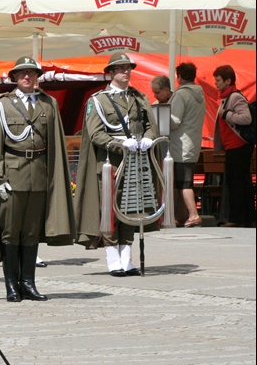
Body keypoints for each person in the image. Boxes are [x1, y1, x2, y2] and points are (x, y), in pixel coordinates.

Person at [0, 56, 75, 301]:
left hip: (38, 174)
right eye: (23, 73)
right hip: (11, 176)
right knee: (11, 232)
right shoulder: (1, 105)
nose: (28, 77)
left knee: (31, 233)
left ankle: (28, 283)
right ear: (14, 77)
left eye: (32, 73)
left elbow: (53, 144)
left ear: (38, 77)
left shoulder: (48, 105)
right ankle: (11, 285)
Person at [73, 53, 160, 277]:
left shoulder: (138, 98)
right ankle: (113, 259)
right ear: (110, 73)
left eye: (128, 68)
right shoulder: (98, 100)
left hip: (135, 161)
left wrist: (148, 138)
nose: (125, 72)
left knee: (132, 208)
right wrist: (118, 144)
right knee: (110, 210)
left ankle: (126, 259)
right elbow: (95, 133)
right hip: (110, 163)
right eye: (120, 69)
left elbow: (150, 124)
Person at [213, 64, 254, 228]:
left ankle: (237, 218)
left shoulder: (235, 97)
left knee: (236, 182)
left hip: (238, 145)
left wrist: (226, 114)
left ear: (228, 81)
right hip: (234, 145)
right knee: (240, 181)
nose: (216, 83)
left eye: (218, 80)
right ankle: (245, 217)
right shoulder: (227, 96)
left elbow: (246, 118)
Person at [168, 63, 206, 228]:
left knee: (184, 182)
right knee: (182, 181)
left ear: (179, 77)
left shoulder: (181, 94)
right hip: (193, 143)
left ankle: (193, 214)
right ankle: (182, 215)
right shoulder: (200, 94)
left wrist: (160, 119)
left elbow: (175, 121)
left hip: (180, 144)